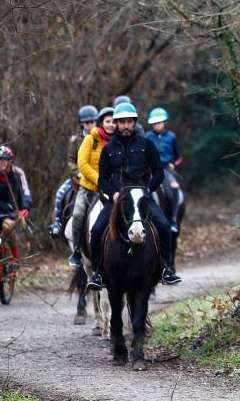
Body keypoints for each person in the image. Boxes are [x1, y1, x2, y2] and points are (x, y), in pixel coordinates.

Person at [87, 102, 182, 290]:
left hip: (142, 198)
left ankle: (165, 268)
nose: (125, 126)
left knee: (164, 226)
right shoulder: (108, 149)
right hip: (116, 200)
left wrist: (148, 191)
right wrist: (113, 193)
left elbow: (159, 172)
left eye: (129, 122)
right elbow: (103, 178)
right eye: (121, 122)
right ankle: (98, 273)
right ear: (116, 123)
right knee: (97, 230)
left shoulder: (147, 144)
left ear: (134, 122)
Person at [68, 106, 115, 266]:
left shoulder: (119, 141)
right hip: (89, 189)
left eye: (114, 122)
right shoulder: (90, 140)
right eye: (108, 121)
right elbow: (82, 163)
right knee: (78, 214)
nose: (111, 125)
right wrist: (99, 180)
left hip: (112, 190)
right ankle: (76, 251)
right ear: (101, 123)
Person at [49, 105, 98, 236]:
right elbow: (70, 160)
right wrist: (78, 172)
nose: (91, 125)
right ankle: (57, 223)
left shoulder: (100, 138)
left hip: (97, 177)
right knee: (60, 193)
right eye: (87, 122)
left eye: (93, 122)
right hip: (79, 177)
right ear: (82, 123)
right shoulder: (75, 140)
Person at [145, 107, 184, 232]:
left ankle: (173, 219)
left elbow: (179, 157)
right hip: (150, 168)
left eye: (159, 123)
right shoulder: (147, 136)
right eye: (154, 123)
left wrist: (174, 165)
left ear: (165, 122)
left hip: (165, 169)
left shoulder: (172, 137)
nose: (156, 125)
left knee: (175, 187)